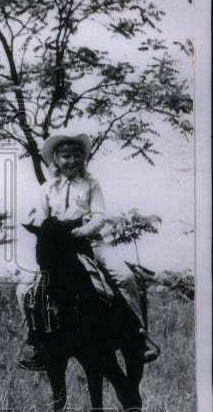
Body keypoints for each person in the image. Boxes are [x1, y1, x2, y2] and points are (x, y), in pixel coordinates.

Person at [17, 132, 159, 371]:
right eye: (65, 156)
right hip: (57, 247)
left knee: (125, 277)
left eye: (76, 155)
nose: (71, 161)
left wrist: (84, 230)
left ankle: (138, 333)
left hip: (89, 242)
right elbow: (42, 217)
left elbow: (100, 215)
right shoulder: (46, 188)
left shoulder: (91, 183)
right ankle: (37, 340)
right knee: (24, 289)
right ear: (56, 160)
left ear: (83, 158)